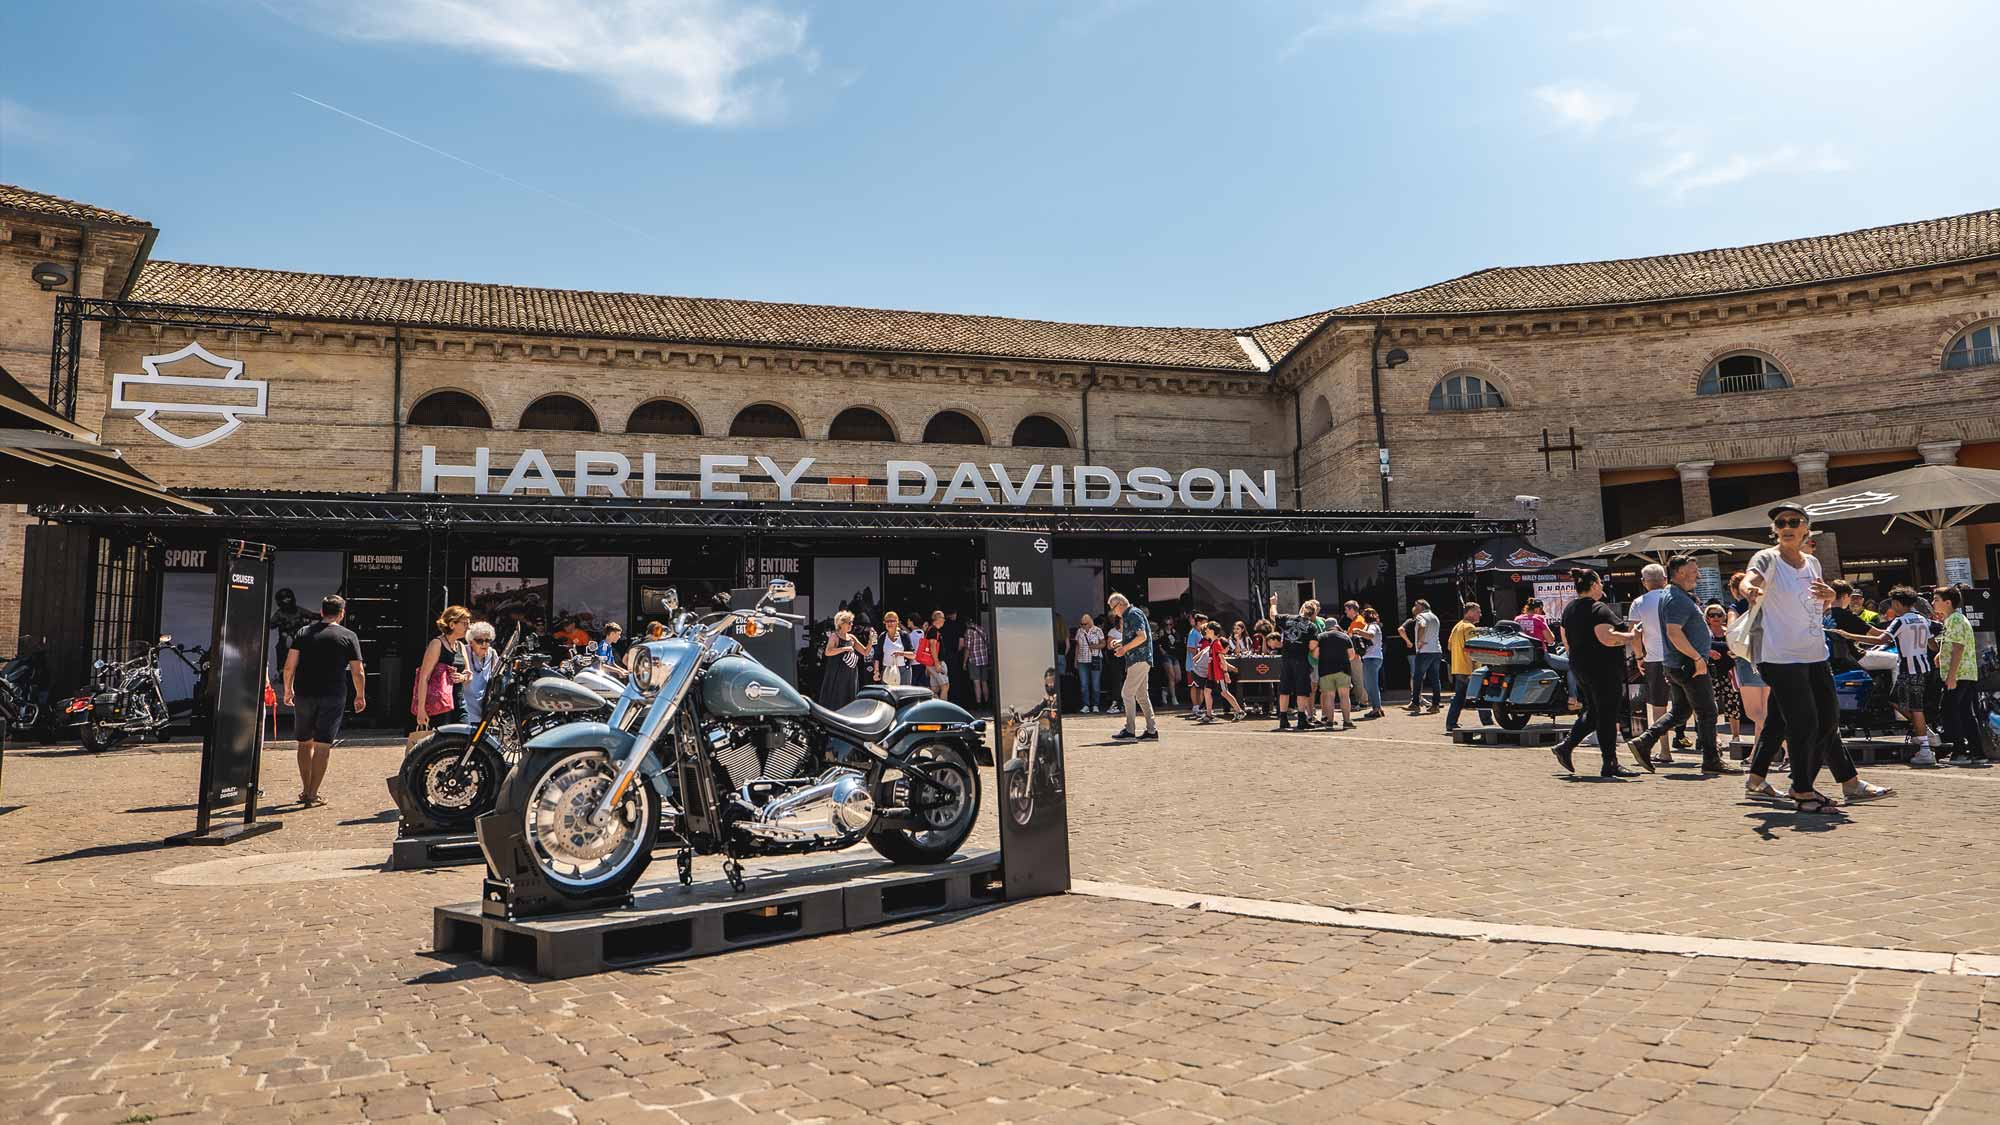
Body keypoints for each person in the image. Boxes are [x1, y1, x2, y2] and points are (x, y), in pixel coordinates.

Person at [1741, 504, 1895, 812]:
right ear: (1774, 530)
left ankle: (1761, 781)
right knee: (1804, 722)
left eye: (1793, 521)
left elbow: (1816, 606)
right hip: (1780, 656)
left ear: (1805, 529)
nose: (1786, 526)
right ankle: (1803, 789)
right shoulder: (1767, 558)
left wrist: (1828, 598)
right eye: (1780, 523)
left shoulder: (1812, 563)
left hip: (1814, 653)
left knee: (1824, 719)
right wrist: (1749, 590)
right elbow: (1750, 579)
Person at [1625, 556, 1736, 773]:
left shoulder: (1675, 595)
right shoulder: (1676, 598)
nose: (1698, 575)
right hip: (1688, 665)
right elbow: (1673, 632)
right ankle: (1711, 760)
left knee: (1681, 711)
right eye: (1694, 571)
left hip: (1679, 663)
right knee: (1707, 711)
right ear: (1681, 572)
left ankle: (1644, 741)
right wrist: (1697, 658)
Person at [1547, 569, 1643, 778]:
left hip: (1580, 666)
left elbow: (1565, 638)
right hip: (1603, 668)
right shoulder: (1598, 608)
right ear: (1593, 585)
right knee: (1607, 714)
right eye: (1600, 582)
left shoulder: (1570, 608)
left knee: (1594, 712)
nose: (1602, 586)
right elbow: (1606, 638)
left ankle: (1565, 747)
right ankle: (1610, 763)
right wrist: (1631, 636)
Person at [282, 594, 365, 808]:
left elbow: (289, 666)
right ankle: (313, 793)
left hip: (304, 693)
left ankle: (305, 789)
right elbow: (358, 671)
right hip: (333, 694)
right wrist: (360, 694)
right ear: (342, 613)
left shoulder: (303, 632)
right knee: (322, 745)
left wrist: (288, 689)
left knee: (304, 742)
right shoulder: (348, 636)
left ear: (321, 612)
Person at [1629, 564, 1686, 751]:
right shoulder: (1677, 598)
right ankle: (1707, 744)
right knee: (1692, 701)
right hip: (1681, 655)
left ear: (1643, 582)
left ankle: (1664, 750)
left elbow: (1634, 635)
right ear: (1665, 579)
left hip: (1654, 659)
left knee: (1658, 705)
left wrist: (1639, 657)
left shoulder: (1638, 603)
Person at [1882, 587, 1937, 767]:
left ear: (1898, 603)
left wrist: (1848, 635)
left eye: (1892, 603)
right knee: (1896, 700)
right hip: (1922, 667)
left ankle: (1925, 749)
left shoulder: (1900, 621)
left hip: (1909, 668)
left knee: (1915, 708)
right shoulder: (1923, 619)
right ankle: (1925, 733)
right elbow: (1933, 646)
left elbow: (1882, 639)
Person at [1936, 585, 1981, 766]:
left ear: (1948, 602)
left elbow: (1958, 647)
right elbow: (1954, 644)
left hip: (1959, 673)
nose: (1933, 602)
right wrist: (1940, 654)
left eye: (1936, 599)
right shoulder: (1956, 619)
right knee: (1965, 712)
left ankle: (1959, 752)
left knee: (1948, 710)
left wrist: (1951, 676)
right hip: (1967, 672)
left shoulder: (1954, 619)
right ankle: (1977, 752)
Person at [1726, 572, 1769, 759]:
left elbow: (1731, 630)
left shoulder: (1736, 607)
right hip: (1767, 657)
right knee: (1765, 711)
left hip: (1746, 658)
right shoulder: (1765, 603)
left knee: (1754, 713)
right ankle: (1756, 755)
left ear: (1735, 590)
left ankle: (1787, 744)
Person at [1107, 592, 1157, 742]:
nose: (1113, 612)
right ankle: (1151, 731)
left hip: (1138, 659)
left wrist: (1124, 649)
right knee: (1141, 696)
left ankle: (1130, 731)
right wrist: (1120, 642)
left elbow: (1142, 637)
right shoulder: (1132, 613)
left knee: (1127, 693)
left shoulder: (1132, 614)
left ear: (1120, 604)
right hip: (1141, 659)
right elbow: (1136, 637)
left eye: (1113, 608)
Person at [412, 605, 471, 733]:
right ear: (452, 624)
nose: (468, 627)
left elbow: (469, 674)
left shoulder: (461, 646)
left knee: (466, 735)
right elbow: (424, 678)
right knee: (442, 740)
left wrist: (463, 677)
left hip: (459, 702)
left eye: (469, 623)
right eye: (465, 623)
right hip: (440, 704)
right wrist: (421, 709)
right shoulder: (436, 644)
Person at [1267, 594, 1322, 731]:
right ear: (1313, 613)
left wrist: (1273, 603)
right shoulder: (1312, 626)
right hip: (1301, 661)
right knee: (1302, 690)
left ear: (1301, 609)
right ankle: (1301, 719)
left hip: (1287, 660)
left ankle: (1283, 719)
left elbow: (1273, 616)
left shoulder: (1288, 618)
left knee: (1284, 689)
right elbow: (1312, 646)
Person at [1442, 602, 1493, 732]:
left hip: (1458, 668)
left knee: (1459, 697)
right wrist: (1474, 669)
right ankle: (1488, 723)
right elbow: (1473, 649)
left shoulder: (1457, 626)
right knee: (1481, 695)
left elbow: (1449, 646)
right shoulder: (1470, 628)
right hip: (1470, 669)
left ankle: (1451, 723)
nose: (1480, 614)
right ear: (1469, 612)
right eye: (1478, 611)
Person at [1312, 617, 1359, 730]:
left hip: (1325, 670)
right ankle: (1347, 721)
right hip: (1343, 670)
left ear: (1326, 627)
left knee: (1329, 696)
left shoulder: (1320, 637)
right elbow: (1352, 655)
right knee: (1344, 696)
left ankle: (1330, 721)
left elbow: (1315, 655)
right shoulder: (1344, 636)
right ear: (1336, 625)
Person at [818, 609, 867, 710]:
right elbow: (828, 652)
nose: (851, 625)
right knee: (836, 698)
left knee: (849, 698)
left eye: (852, 622)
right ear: (841, 623)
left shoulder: (852, 637)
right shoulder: (834, 636)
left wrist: (871, 640)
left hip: (850, 673)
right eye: (849, 622)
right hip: (837, 673)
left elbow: (865, 652)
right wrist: (844, 649)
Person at [1197, 621, 1243, 721]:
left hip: (1218, 674)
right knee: (1207, 691)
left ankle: (1239, 711)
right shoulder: (1212, 643)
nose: (1206, 631)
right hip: (1212, 675)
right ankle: (1209, 714)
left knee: (1224, 693)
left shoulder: (1216, 644)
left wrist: (1226, 673)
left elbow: (1222, 659)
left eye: (1208, 629)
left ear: (1212, 631)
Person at [1406, 599, 1443, 714]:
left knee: (1417, 677)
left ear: (1421, 607)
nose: (1414, 608)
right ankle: (1435, 705)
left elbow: (1422, 626)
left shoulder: (1420, 616)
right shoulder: (1435, 617)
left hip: (1424, 651)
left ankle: (1415, 703)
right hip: (1436, 650)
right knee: (1435, 679)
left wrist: (1419, 641)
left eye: (1416, 606)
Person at [1354, 608, 1386, 719]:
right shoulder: (1373, 625)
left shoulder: (1372, 626)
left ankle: (1376, 709)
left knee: (1371, 685)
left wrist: (1358, 631)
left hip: (1371, 658)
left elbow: (1370, 635)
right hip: (1373, 657)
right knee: (1371, 685)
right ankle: (1378, 708)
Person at [877, 611, 917, 686]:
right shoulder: (882, 636)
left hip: (903, 670)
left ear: (897, 622)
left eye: (892, 621)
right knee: (887, 692)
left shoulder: (904, 635)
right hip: (887, 670)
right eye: (887, 621)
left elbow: (913, 655)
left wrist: (901, 653)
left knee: (904, 692)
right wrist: (876, 671)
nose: (890, 623)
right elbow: (877, 656)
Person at [1074, 614, 1104, 713]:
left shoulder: (1098, 630)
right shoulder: (1079, 631)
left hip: (1095, 659)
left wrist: (1095, 646)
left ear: (1090, 622)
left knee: (1095, 684)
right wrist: (1075, 660)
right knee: (1083, 684)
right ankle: (1086, 705)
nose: (1083, 626)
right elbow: (1077, 646)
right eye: (1081, 624)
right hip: (1082, 660)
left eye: (1085, 624)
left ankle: (1095, 705)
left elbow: (1103, 644)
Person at [961, 615, 990, 709]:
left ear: (966, 624)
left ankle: (978, 704)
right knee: (984, 682)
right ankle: (987, 702)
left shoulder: (969, 632)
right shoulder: (981, 629)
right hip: (984, 660)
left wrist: (964, 662)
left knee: (976, 682)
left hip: (974, 660)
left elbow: (967, 649)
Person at [1185, 614, 1210, 719]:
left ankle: (1199, 707)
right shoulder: (1193, 633)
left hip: (1200, 666)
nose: (1206, 625)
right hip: (1192, 666)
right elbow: (1190, 648)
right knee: (1194, 686)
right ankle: (1195, 707)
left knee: (1200, 687)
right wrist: (1202, 653)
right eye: (1204, 623)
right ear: (1198, 623)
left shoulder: (1200, 633)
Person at [920, 610, 950, 696]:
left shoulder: (931, 629)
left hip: (931, 663)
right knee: (945, 686)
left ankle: (933, 703)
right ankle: (942, 705)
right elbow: (932, 647)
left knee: (935, 689)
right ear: (938, 618)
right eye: (943, 618)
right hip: (934, 663)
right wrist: (937, 663)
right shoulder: (933, 630)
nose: (944, 620)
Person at [1103, 615, 1125, 716]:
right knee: (1117, 680)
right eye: (1122, 618)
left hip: (1129, 658)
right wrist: (1121, 643)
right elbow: (1109, 646)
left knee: (1128, 680)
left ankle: (1125, 703)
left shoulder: (1130, 630)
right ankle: (1116, 703)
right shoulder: (1113, 631)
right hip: (1117, 658)